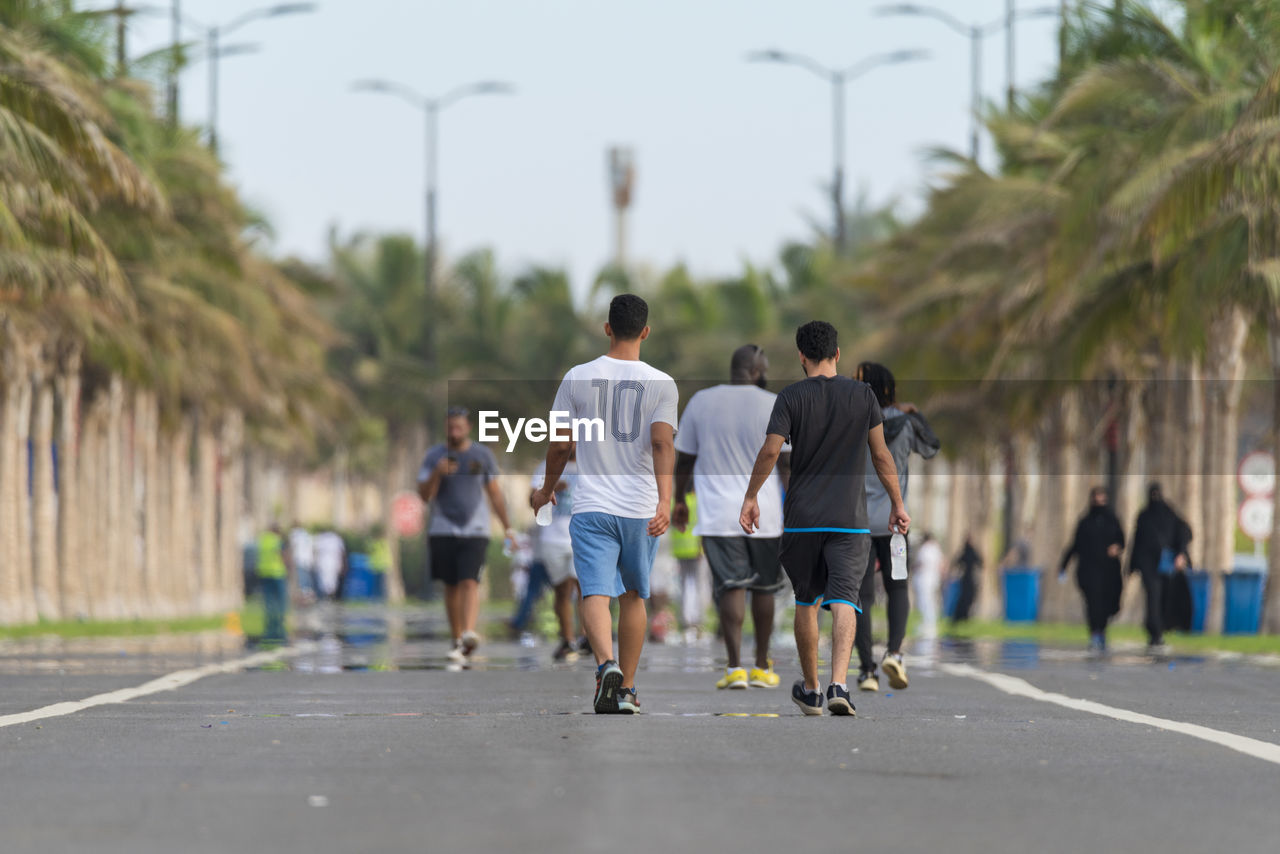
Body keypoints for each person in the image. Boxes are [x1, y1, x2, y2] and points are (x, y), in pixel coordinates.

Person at [740, 321, 909, 717]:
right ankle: (838, 685)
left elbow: (769, 451)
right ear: (837, 353)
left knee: (807, 601)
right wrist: (898, 504)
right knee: (845, 599)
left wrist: (751, 496)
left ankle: (812, 690)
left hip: (802, 519)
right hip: (850, 521)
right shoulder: (863, 395)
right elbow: (882, 455)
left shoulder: (790, 397)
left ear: (802, 356)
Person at [532, 294, 678, 714]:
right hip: (640, 508)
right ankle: (627, 689)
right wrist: (665, 500)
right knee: (634, 595)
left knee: (594, 591)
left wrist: (545, 490)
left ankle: (605, 664)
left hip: (592, 505)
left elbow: (561, 445)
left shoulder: (577, 377)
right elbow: (662, 443)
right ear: (646, 332)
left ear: (607, 327)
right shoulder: (661, 382)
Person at [674, 344, 789, 690]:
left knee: (731, 586)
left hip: (718, 512)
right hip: (766, 512)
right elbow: (785, 464)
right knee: (765, 587)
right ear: (755, 371)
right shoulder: (773, 403)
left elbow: (684, 462)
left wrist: (679, 499)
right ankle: (761, 666)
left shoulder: (701, 401)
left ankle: (735, 667)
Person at [852, 362, 940, 693]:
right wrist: (914, 414)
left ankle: (866, 670)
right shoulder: (906, 424)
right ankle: (894, 653)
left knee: (861, 595)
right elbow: (931, 447)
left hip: (857, 522)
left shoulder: (854, 422)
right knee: (898, 587)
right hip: (895, 520)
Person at [418, 406, 515, 663]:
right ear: (445, 428)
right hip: (442, 527)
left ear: (468, 428)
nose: (454, 431)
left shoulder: (481, 455)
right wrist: (437, 473)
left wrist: (508, 527)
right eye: (450, 427)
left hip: (476, 528)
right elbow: (423, 495)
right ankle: (457, 638)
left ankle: (469, 631)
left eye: (459, 427)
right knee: (450, 585)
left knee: (470, 581)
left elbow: (494, 493)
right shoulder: (433, 456)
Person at [528, 450, 585, 662]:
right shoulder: (545, 466)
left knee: (585, 589)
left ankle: (585, 637)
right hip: (553, 538)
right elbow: (531, 499)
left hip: (582, 536)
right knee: (562, 590)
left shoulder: (590, 462)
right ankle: (568, 639)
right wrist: (549, 487)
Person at [1059, 486, 1126, 655]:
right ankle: (1095, 633)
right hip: (1089, 571)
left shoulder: (1113, 521)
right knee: (1092, 603)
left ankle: (1102, 630)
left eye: (1102, 499)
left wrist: (1116, 548)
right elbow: (1075, 545)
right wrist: (1063, 566)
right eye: (1096, 499)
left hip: (1109, 572)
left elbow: (1122, 541)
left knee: (1106, 604)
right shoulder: (1085, 522)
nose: (1099, 502)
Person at [1129, 483, 1192, 654]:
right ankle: (1154, 632)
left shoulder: (1170, 514)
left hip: (1166, 566)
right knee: (1153, 598)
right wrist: (1132, 565)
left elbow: (1184, 533)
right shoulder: (1143, 516)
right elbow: (1137, 541)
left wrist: (1181, 553)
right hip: (1148, 566)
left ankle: (1160, 629)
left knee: (1164, 598)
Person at [668, 491, 704, 642]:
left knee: (684, 586)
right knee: (696, 586)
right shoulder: (698, 501)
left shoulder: (674, 501)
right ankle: (695, 621)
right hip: (695, 550)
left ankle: (686, 621)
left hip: (680, 549)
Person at [257, 524, 291, 643]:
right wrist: (288, 569)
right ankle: (280, 628)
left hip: (264, 573)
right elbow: (284, 556)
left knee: (269, 602)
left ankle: (269, 628)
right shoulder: (278, 540)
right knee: (280, 602)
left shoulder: (262, 540)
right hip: (277, 573)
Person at [910, 532, 945, 643]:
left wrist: (914, 567)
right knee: (930, 601)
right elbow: (941, 564)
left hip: (925, 579)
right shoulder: (936, 548)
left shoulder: (926, 548)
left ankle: (928, 624)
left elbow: (921, 563)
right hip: (933, 579)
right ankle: (930, 623)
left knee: (925, 602)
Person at [951, 536, 982, 625]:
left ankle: (964, 617)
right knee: (965, 599)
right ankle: (962, 618)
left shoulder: (967, 552)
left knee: (966, 599)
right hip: (968, 579)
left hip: (967, 579)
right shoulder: (969, 552)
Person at [313, 529, 345, 600]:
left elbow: (341, 552)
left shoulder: (334, 539)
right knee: (325, 581)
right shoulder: (323, 539)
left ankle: (330, 597)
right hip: (326, 563)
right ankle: (326, 597)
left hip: (331, 563)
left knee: (331, 581)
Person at [289, 522, 316, 602]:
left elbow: (292, 547)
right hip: (308, 560)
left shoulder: (294, 534)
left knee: (302, 581)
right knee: (307, 580)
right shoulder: (307, 535)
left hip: (299, 560)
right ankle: (308, 597)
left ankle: (304, 599)